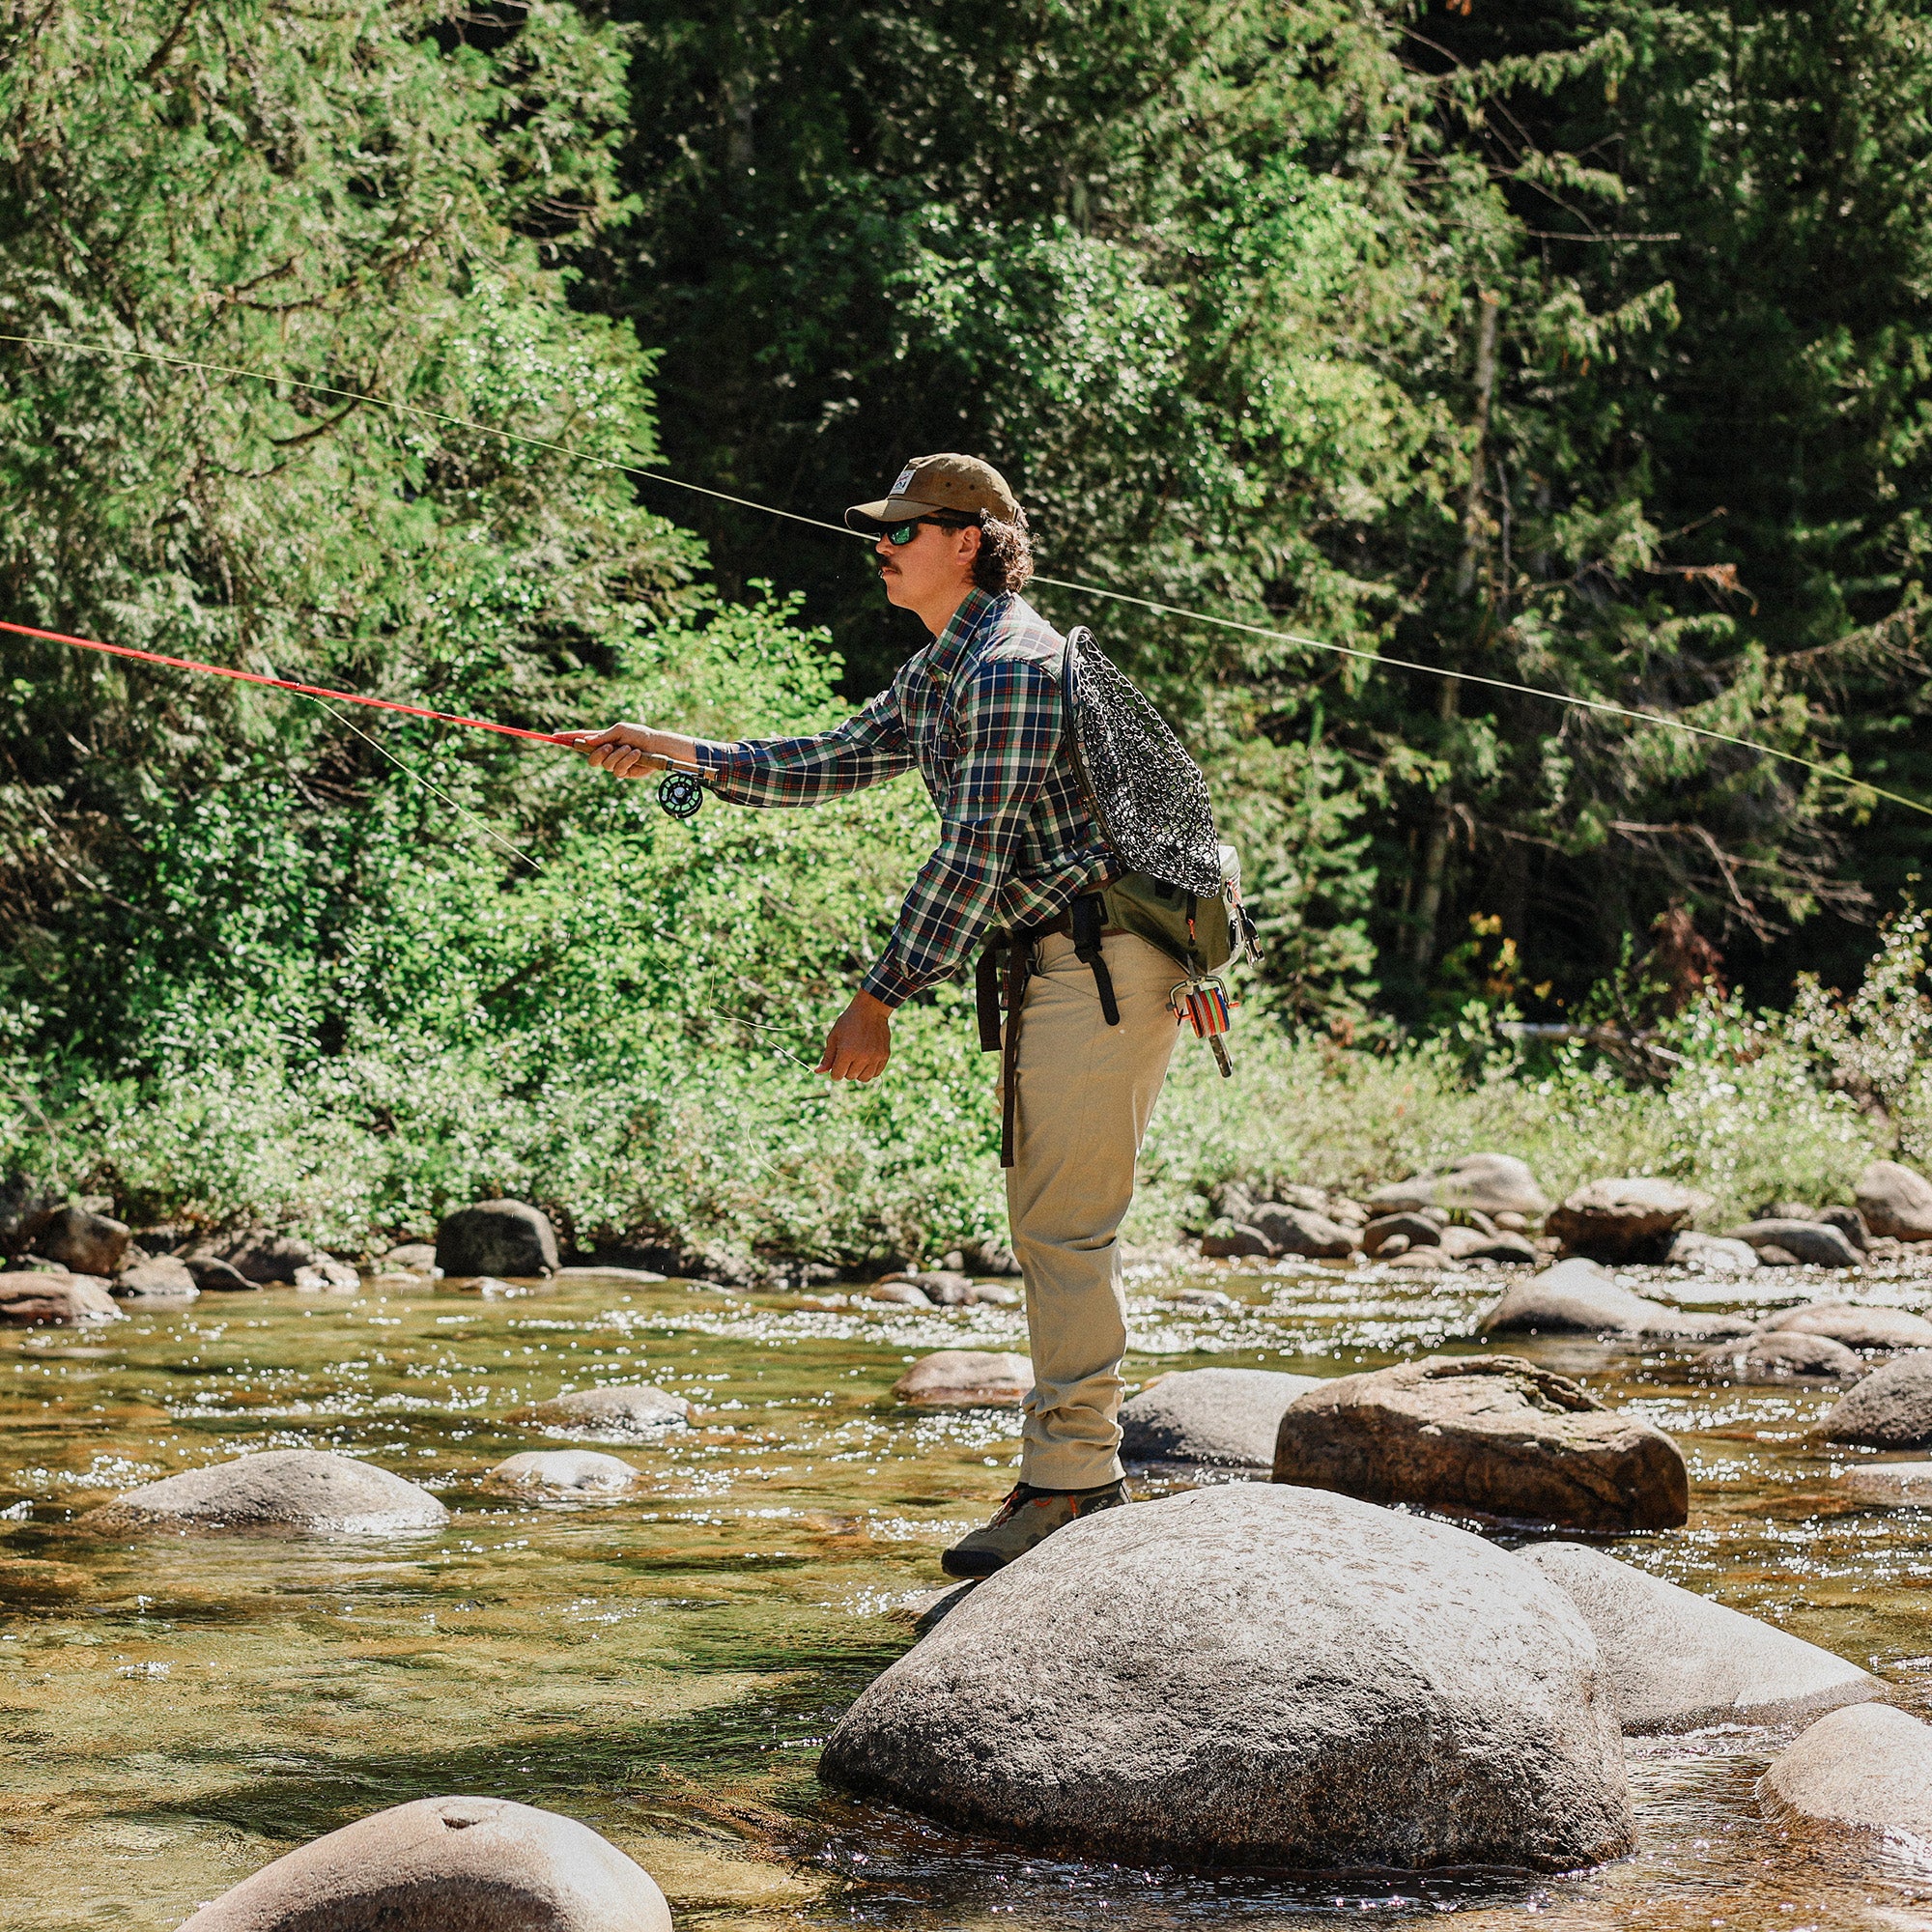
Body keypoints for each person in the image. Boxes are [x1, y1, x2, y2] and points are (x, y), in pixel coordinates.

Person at [556, 454, 1183, 1576]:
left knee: (1063, 1228)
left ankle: (1071, 1485)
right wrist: (670, 751)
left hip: (1104, 961)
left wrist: (878, 994)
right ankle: (1071, 1475)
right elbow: (826, 761)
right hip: (1065, 961)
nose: (879, 547)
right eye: (880, 530)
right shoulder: (943, 669)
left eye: (902, 530)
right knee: (1051, 1223)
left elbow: (972, 852)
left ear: (968, 541)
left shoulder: (1012, 666)